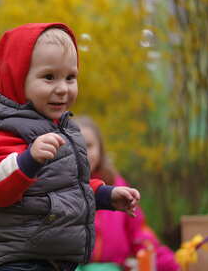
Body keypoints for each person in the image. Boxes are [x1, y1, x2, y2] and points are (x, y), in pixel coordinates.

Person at [0, 23, 141, 271]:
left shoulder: (63, 129)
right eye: (49, 77)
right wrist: (27, 160)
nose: (62, 88)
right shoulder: (3, 129)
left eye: (70, 77)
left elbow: (64, 187)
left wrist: (105, 195)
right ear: (17, 79)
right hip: (14, 260)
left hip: (49, 259)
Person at [75, 116, 180, 271]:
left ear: (100, 149)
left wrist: (172, 264)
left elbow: (139, 233)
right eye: (76, 146)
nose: (83, 152)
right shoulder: (56, 186)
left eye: (89, 145)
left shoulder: (116, 186)